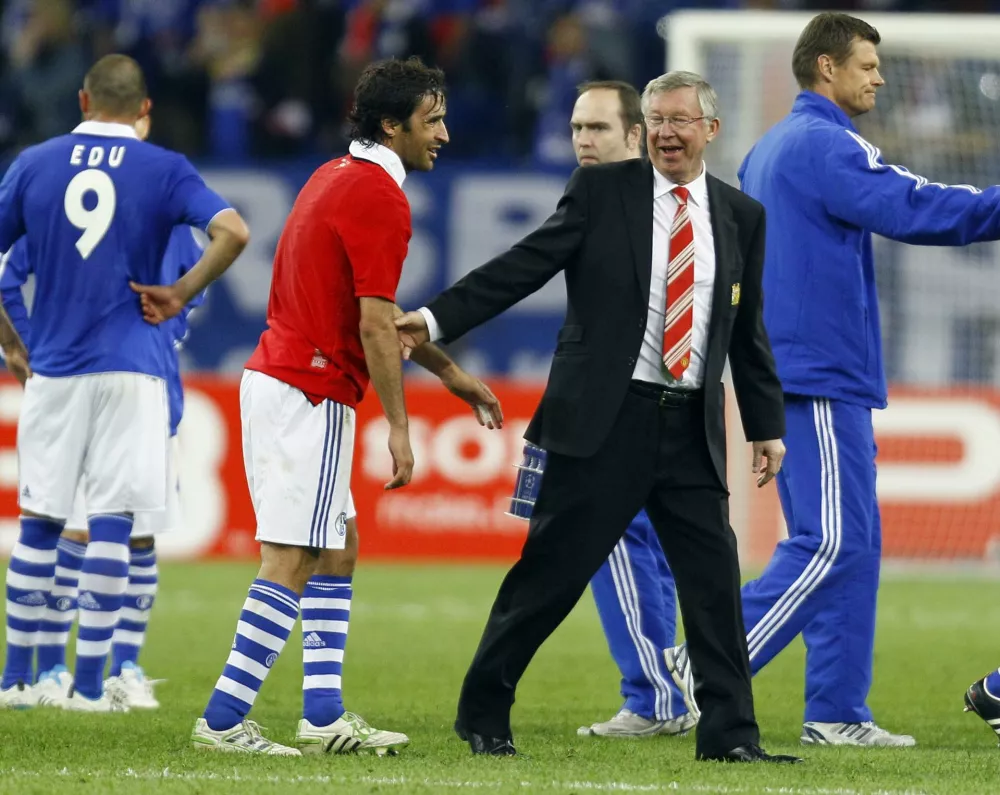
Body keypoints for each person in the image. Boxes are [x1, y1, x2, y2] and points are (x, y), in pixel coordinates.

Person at [396, 70, 799, 764]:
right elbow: (522, 265)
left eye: (681, 119)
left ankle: (731, 736)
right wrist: (433, 319)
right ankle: (483, 709)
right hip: (604, 424)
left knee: (713, 587)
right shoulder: (603, 190)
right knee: (547, 578)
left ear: (711, 129)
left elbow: (745, 331)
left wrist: (766, 423)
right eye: (657, 119)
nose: (668, 132)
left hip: (689, 430)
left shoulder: (741, 215)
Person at [667, 12, 1000, 749]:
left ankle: (837, 710)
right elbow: (915, 206)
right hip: (813, 368)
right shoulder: (826, 145)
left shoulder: (772, 147)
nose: (879, 77)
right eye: (867, 65)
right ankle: (705, 666)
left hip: (804, 367)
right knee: (831, 543)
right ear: (826, 68)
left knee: (856, 545)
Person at [191, 56, 504, 757]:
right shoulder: (379, 197)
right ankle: (221, 720)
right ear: (392, 126)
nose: (445, 135)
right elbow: (373, 322)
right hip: (310, 388)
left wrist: (450, 372)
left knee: (337, 546)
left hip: (282, 377)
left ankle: (324, 714)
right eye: (433, 121)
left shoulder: (333, 175)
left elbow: (378, 316)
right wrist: (398, 424)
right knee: (294, 554)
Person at [0, 54, 248, 712]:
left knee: (40, 525)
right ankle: (90, 685)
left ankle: (18, 680)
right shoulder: (163, 169)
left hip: (54, 366)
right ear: (145, 110)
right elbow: (233, 231)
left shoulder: (35, 163)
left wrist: (12, 345)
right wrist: (178, 293)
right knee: (115, 525)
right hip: (135, 368)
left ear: (82, 100)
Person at [514, 79, 695, 739]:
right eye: (576, 129)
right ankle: (663, 691)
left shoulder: (619, 199)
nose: (583, 141)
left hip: (623, 410)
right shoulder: (660, 198)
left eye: (597, 129)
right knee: (640, 545)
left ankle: (655, 696)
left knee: (611, 540)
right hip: (650, 406)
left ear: (636, 136)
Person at [1, 226, 206, 710]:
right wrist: (24, 343)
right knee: (70, 530)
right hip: (77, 388)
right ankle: (53, 668)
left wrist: (164, 331)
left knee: (138, 534)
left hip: (148, 393)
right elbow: (9, 276)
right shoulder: (63, 200)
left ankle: (121, 670)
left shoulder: (165, 214)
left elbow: (195, 282)